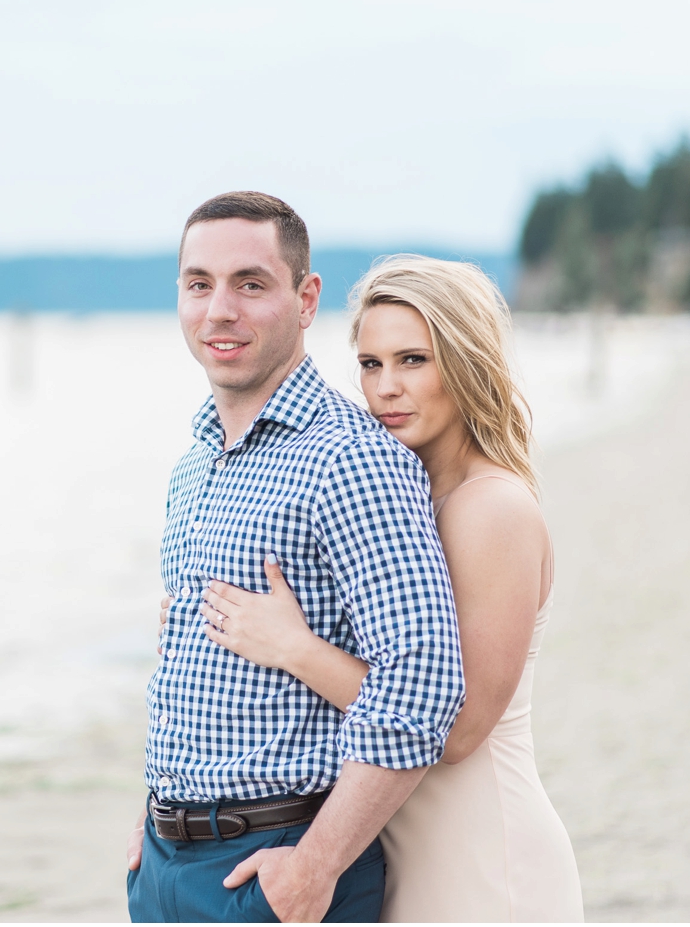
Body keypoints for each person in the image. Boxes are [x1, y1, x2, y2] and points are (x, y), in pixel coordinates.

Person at [192, 255, 585, 921]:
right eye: (371, 365)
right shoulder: (401, 500)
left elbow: (456, 730)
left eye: (413, 360)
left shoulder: (492, 509)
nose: (386, 390)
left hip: (482, 858)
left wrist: (296, 648)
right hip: (394, 851)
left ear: (465, 364)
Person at [125, 193, 464, 923]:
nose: (219, 309)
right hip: (163, 865)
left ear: (306, 299)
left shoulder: (352, 458)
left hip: (277, 863)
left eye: (250, 284)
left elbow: (423, 680)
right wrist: (153, 820)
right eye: (198, 284)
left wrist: (318, 864)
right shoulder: (195, 464)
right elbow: (190, 656)